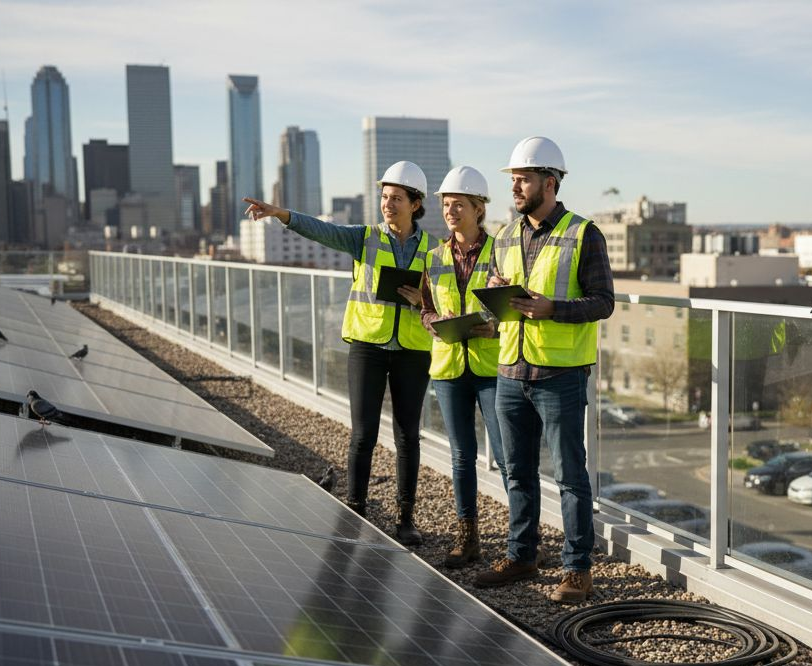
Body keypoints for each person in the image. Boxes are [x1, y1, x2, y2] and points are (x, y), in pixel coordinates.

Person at [242, 161, 432, 546]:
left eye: (396, 198)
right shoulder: (364, 238)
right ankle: (356, 511)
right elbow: (322, 230)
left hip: (412, 350)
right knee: (363, 434)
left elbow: (445, 298)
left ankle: (405, 518)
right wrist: (280, 214)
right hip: (367, 347)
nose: (387, 204)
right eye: (384, 197)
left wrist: (422, 300)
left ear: (415, 204)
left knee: (408, 436)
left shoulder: (434, 250)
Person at [472, 136, 615, 604]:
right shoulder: (503, 237)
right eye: (513, 179)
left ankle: (577, 570)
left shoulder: (584, 233)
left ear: (549, 182)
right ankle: (522, 555)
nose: (515, 187)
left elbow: (603, 302)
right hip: (511, 371)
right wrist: (495, 293)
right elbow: (495, 307)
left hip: (561, 376)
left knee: (570, 476)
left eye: (523, 179)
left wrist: (553, 308)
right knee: (516, 472)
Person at [419, 166, 508, 568]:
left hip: (491, 366)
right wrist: (435, 323)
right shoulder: (434, 257)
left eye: (458, 205)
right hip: (450, 367)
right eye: (446, 204)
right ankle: (467, 537)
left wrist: (496, 326)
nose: (450, 211)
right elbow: (425, 308)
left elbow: (511, 303)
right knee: (461, 456)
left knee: (506, 456)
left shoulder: (500, 252)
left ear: (478, 209)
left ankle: (522, 541)